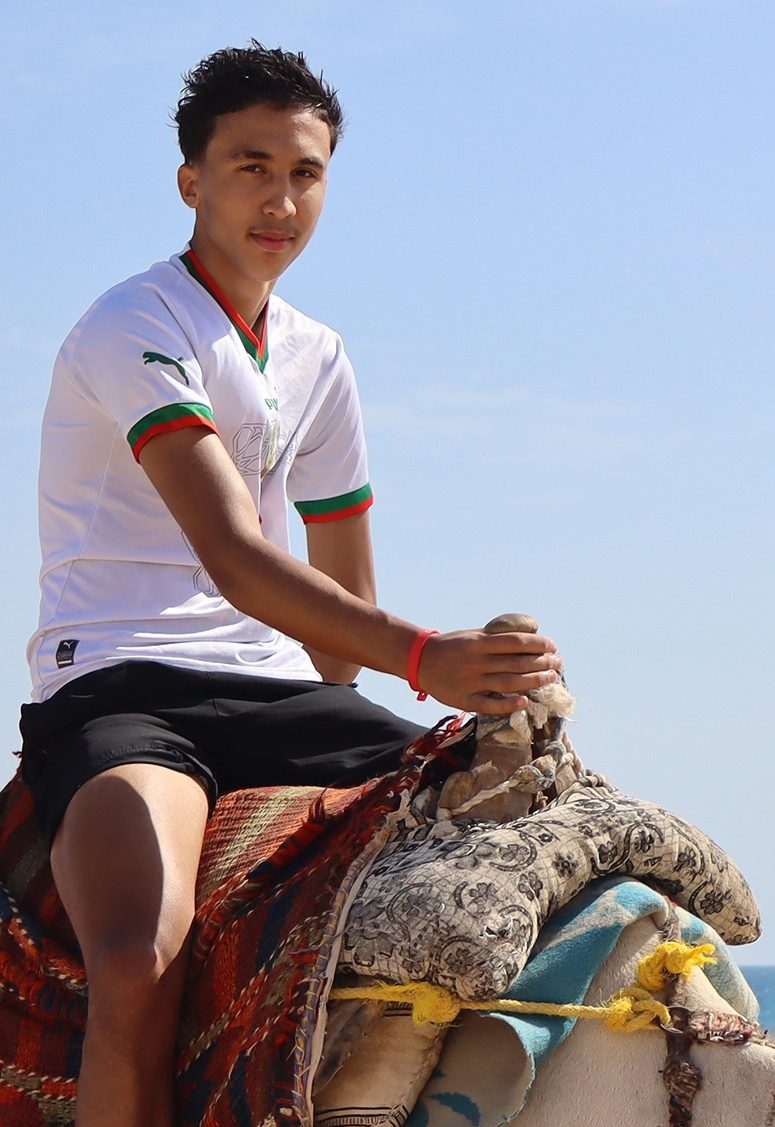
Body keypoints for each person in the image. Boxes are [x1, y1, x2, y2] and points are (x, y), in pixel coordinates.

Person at [18, 43, 563, 1127]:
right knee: (140, 954)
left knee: (522, 814)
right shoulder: (133, 323)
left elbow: (341, 576)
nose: (281, 200)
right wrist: (429, 659)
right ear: (192, 183)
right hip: (124, 687)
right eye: (251, 168)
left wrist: (379, 701)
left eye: (305, 173)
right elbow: (232, 550)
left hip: (276, 695)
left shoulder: (320, 355)